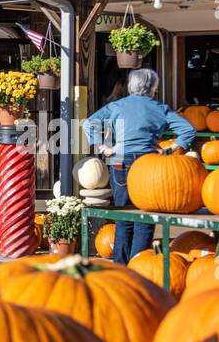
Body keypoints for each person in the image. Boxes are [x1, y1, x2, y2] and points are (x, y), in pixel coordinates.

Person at [83, 68, 196, 264]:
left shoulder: (117, 106)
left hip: (120, 161)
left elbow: (89, 123)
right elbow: (188, 130)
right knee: (145, 217)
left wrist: (102, 146)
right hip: (148, 166)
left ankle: (120, 266)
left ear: (130, 86)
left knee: (123, 216)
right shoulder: (160, 109)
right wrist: (172, 149)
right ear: (154, 87)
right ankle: (138, 265)